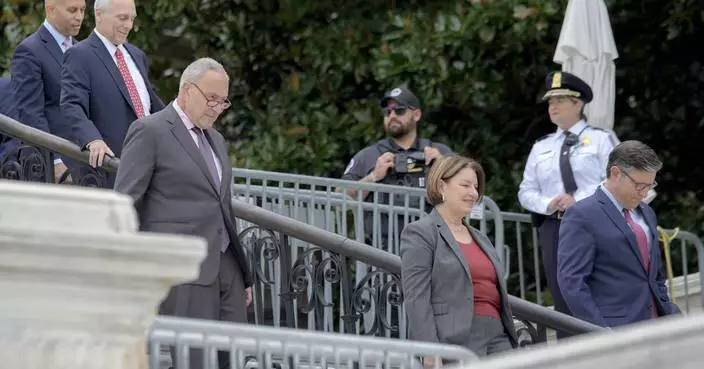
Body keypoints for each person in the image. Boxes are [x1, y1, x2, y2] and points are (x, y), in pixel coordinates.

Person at [114, 57, 252, 369]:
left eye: (223, 101)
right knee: (193, 361)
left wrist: (243, 274)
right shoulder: (149, 131)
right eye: (212, 99)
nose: (217, 108)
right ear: (187, 91)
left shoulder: (216, 139)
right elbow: (124, 203)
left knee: (232, 358)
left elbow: (222, 205)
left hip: (227, 268)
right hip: (182, 270)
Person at [517, 71, 616, 337]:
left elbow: (617, 182)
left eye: (560, 99)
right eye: (550, 101)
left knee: (599, 290)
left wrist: (580, 199)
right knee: (563, 295)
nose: (553, 106)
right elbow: (526, 191)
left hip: (595, 224)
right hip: (556, 227)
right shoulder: (541, 146)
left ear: (578, 104)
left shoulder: (601, 139)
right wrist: (550, 203)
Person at [401, 155, 517, 359]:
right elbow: (416, 297)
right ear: (441, 186)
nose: (473, 193)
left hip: (498, 335)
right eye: (465, 185)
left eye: (475, 187)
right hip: (455, 337)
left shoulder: (481, 238)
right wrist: (429, 350)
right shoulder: (420, 232)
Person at [557, 141, 681, 328]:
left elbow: (654, 273)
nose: (645, 192)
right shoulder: (581, 215)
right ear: (616, 173)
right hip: (616, 329)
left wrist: (669, 310)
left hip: (660, 322)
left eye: (650, 185)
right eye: (639, 185)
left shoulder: (647, 212)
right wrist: (599, 330)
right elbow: (572, 282)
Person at [61, 0, 164, 181]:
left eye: (132, 19)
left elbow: (150, 104)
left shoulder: (137, 55)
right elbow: (72, 105)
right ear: (99, 14)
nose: (129, 25)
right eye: (122, 18)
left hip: (152, 163)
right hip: (111, 168)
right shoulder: (79, 55)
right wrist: (92, 139)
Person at [342, 87, 453, 249]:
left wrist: (443, 167)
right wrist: (373, 177)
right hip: (379, 252)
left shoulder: (439, 152)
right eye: (387, 112)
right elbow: (339, 195)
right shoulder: (370, 155)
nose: (392, 116)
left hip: (430, 250)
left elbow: (470, 191)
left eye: (399, 111)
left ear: (416, 115)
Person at [10, 0, 86, 182]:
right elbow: (30, 113)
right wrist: (54, 161)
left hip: (87, 165)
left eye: (83, 10)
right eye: (72, 10)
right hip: (51, 168)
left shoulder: (83, 50)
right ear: (51, 8)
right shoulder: (29, 51)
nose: (79, 17)